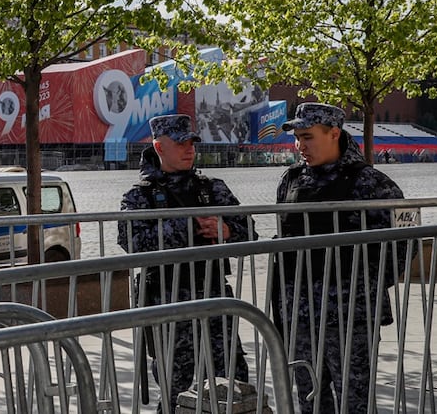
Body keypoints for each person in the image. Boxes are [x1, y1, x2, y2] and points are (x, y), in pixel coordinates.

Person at [274, 102, 405, 414]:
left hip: (349, 317)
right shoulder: (291, 181)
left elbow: (402, 245)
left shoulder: (373, 183)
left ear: (334, 133)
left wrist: (362, 287)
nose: (299, 145)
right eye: (297, 138)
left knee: (355, 400)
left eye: (307, 137)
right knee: (310, 399)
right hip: (299, 315)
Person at [118, 114, 251, 410]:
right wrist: (188, 226)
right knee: (174, 389)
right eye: (180, 143)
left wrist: (227, 231)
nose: (189, 148)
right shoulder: (140, 196)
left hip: (215, 300)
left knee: (232, 381)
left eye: (191, 142)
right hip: (167, 306)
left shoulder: (212, 189)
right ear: (159, 146)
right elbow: (132, 242)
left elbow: (249, 231)